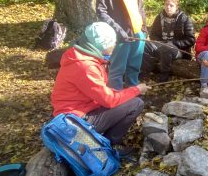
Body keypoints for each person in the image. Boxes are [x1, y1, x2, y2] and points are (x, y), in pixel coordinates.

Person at [50, 22, 149, 154]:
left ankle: (101, 138)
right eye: (111, 46)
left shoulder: (78, 55)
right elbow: (108, 100)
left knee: (123, 100)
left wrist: (119, 93)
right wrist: (137, 90)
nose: (113, 49)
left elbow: (100, 92)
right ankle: (108, 145)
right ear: (100, 46)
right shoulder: (86, 67)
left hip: (75, 111)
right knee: (136, 103)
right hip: (76, 122)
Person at [96, 0, 147, 90]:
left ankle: (133, 91)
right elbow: (101, 12)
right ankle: (116, 96)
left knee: (134, 66)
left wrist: (144, 30)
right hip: (120, 35)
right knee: (117, 68)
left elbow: (140, 8)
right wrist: (118, 30)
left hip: (137, 33)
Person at [148, 0, 196, 82]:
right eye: (166, 4)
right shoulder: (159, 17)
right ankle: (142, 71)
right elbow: (153, 35)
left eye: (171, 5)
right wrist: (160, 43)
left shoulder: (184, 19)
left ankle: (164, 73)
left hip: (179, 50)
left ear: (176, 7)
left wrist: (173, 43)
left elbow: (191, 40)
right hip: (161, 46)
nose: (168, 7)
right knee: (145, 45)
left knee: (167, 48)